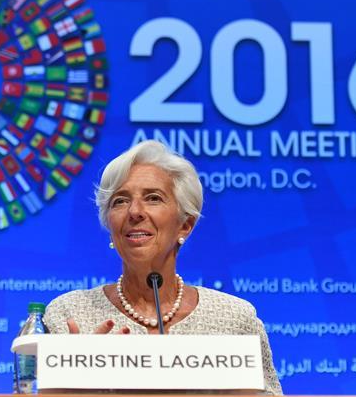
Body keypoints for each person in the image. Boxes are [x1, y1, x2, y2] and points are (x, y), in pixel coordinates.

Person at [43, 140, 282, 394]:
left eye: (153, 198)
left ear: (185, 225)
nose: (135, 212)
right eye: (120, 201)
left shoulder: (235, 319)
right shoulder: (69, 313)